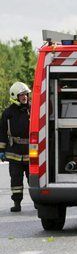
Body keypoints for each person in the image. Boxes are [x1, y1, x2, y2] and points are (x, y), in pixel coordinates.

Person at [0, 82, 32, 212]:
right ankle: (17, 203)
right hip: (14, 152)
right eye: (22, 95)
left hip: (31, 150)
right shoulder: (8, 113)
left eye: (26, 94)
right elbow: (2, 131)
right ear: (15, 96)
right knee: (16, 179)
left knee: (33, 179)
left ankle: (38, 201)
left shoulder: (33, 109)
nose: (25, 97)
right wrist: (1, 150)